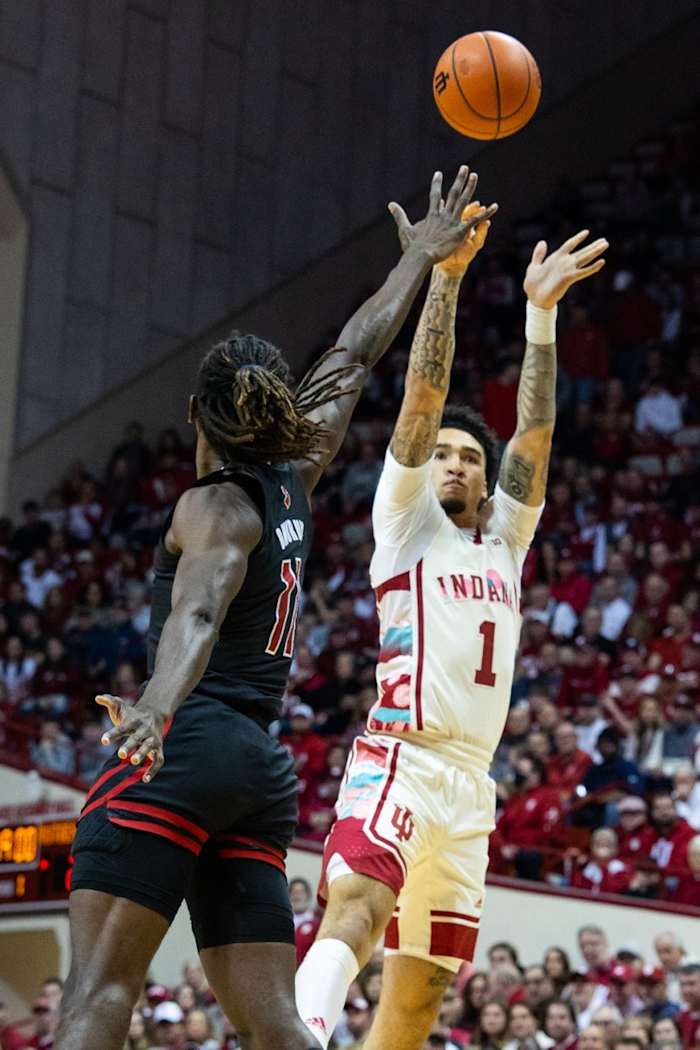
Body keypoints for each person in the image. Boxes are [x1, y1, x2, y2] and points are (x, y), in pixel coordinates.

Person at [55, 164, 494, 1050]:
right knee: (278, 1026)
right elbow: (356, 351)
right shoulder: (298, 471)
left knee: (96, 1000)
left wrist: (155, 707)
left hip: (187, 744)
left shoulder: (213, 505)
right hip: (259, 770)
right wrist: (416, 261)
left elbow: (201, 616)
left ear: (195, 415)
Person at [295, 215, 608, 1050]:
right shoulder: (403, 523)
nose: (460, 464)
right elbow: (422, 397)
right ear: (422, 469)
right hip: (403, 756)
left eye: (471, 456)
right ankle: (291, 1038)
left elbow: (534, 435)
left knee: (421, 997)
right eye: (446, 456)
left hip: (472, 788)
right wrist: (447, 277)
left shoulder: (504, 538)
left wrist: (541, 314)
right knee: (355, 910)